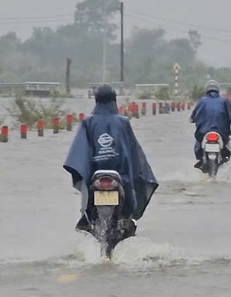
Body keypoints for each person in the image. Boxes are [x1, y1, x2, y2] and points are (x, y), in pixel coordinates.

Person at [63, 85, 159, 237]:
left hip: (95, 175)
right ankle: (127, 220)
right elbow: (132, 151)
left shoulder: (88, 123)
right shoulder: (123, 122)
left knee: (87, 205)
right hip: (121, 175)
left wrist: (83, 171)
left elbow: (80, 152)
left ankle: (88, 221)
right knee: (129, 206)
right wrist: (138, 170)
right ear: (114, 100)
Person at [191, 80, 231, 172]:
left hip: (203, 132)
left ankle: (200, 160)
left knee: (198, 143)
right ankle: (224, 158)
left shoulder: (202, 101)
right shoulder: (224, 101)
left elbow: (193, 117)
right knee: (226, 146)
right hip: (221, 132)